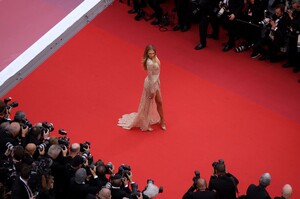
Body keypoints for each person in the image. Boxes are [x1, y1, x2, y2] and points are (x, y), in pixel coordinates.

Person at [118, 44, 166, 132]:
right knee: (147, 104)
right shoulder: (149, 63)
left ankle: (162, 120)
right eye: (149, 54)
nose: (151, 55)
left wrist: (157, 83)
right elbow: (151, 77)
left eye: (153, 53)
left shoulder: (155, 58)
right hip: (150, 85)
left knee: (159, 102)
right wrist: (152, 91)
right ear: (147, 54)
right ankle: (146, 123)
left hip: (156, 83)